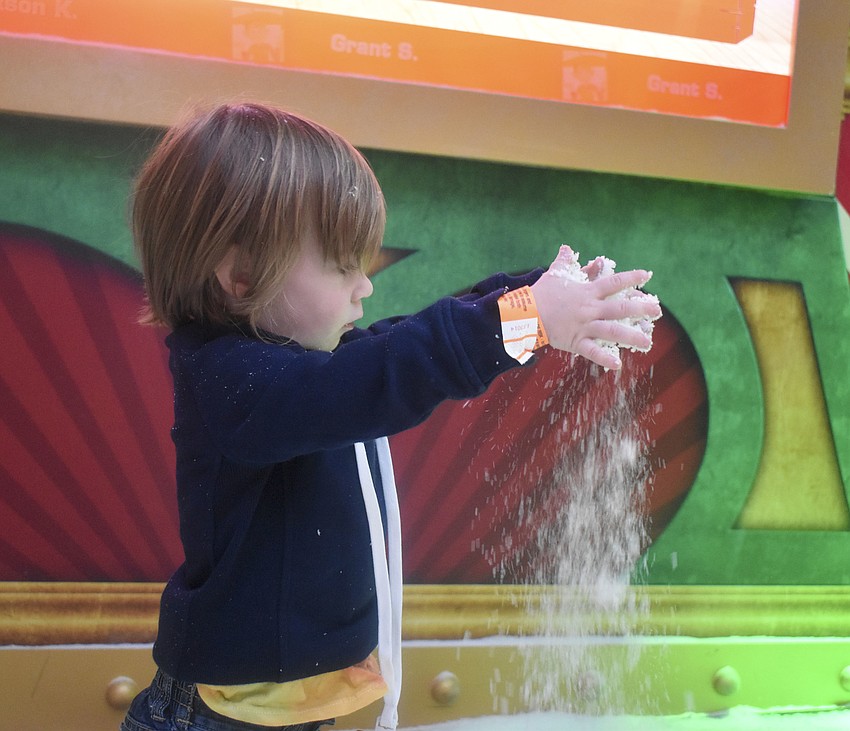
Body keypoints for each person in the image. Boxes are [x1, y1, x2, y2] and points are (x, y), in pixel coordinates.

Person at [120, 101, 661, 731]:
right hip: (213, 718)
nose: (364, 286)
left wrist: (541, 294)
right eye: (343, 263)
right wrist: (527, 318)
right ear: (241, 276)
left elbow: (396, 344)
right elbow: (390, 371)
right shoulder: (238, 386)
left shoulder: (299, 371)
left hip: (278, 710)